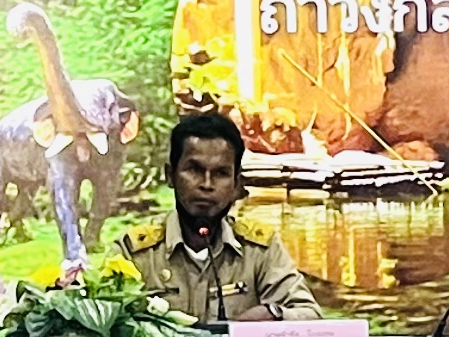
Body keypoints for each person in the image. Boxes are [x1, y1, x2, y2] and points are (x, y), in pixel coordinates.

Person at [120, 110, 320, 324]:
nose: (206, 184)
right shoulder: (135, 253)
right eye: (194, 170)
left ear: (237, 184)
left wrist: (273, 313)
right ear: (171, 176)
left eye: (220, 173)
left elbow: (310, 315)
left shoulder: (259, 250)